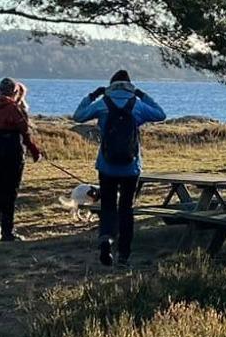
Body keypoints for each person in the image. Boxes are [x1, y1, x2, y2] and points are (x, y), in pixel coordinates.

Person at [72, 70, 167, 267]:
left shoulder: (103, 103)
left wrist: (92, 95)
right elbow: (160, 114)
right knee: (126, 209)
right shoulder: (137, 105)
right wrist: (141, 94)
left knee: (107, 207)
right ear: (130, 85)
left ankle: (106, 239)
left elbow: (78, 116)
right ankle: (124, 255)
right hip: (131, 167)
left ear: (111, 85)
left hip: (106, 165)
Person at [0, 78, 44, 241]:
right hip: (12, 152)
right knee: (10, 192)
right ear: (14, 92)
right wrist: (35, 152)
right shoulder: (12, 108)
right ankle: (8, 231)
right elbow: (25, 132)